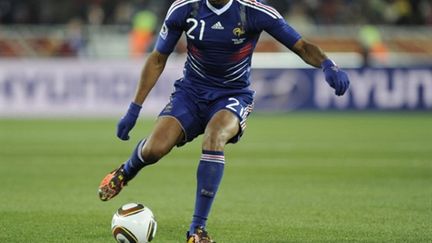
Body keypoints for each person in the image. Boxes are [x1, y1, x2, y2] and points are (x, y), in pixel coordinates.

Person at [98, 0, 350, 242]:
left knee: (214, 135)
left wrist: (328, 64)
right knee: (154, 149)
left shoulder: (254, 11)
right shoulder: (185, 8)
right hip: (191, 93)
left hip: (232, 96)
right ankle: (125, 171)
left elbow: (303, 46)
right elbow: (157, 59)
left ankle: (197, 230)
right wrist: (134, 109)